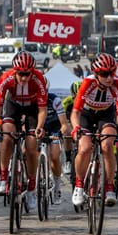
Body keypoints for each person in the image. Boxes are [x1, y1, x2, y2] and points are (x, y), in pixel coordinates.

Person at [0, 51, 48, 211]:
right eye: (21, 74)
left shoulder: (38, 79)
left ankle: (31, 187)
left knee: (31, 148)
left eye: (27, 74)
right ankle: (3, 177)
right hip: (14, 105)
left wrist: (39, 127)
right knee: (7, 136)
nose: (24, 78)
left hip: (32, 108)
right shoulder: (6, 78)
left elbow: (42, 109)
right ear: (15, 71)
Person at [71, 53, 118, 207]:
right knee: (84, 148)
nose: (109, 78)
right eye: (104, 74)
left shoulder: (117, 85)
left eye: (112, 73)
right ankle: (79, 185)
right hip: (86, 115)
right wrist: (76, 127)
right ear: (96, 74)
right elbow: (75, 112)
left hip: (106, 114)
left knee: (107, 145)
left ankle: (109, 186)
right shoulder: (87, 83)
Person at [43, 76, 70, 204]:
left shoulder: (54, 100)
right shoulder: (32, 100)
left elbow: (64, 123)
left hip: (54, 129)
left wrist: (60, 132)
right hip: (40, 129)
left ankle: (57, 187)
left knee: (54, 156)